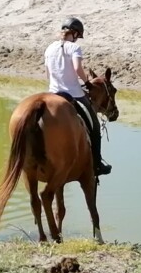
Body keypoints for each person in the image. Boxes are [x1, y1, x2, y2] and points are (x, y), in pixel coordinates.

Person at [45, 16, 111, 177]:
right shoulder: (74, 48)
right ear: (74, 33)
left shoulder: (49, 48)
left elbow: (48, 73)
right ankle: (97, 163)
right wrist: (87, 83)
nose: (77, 39)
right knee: (95, 126)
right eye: (77, 36)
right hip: (73, 93)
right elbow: (77, 68)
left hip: (52, 92)